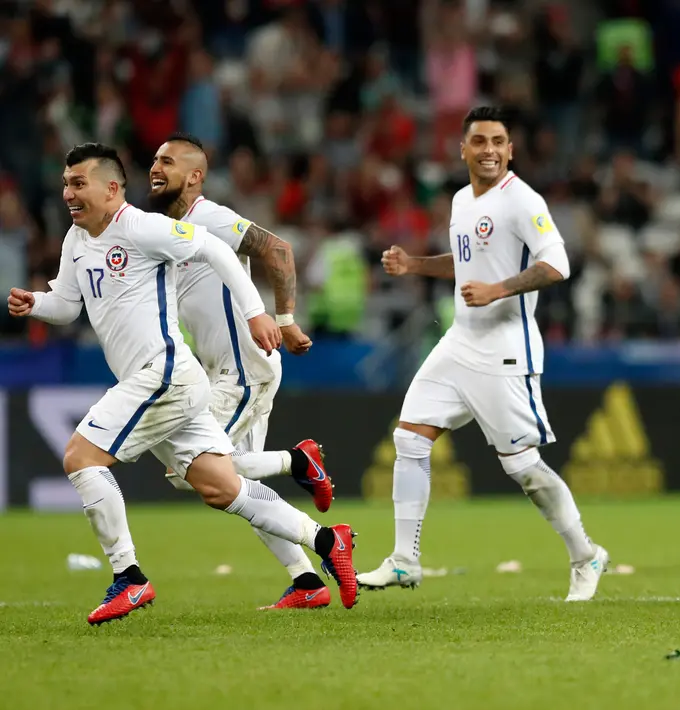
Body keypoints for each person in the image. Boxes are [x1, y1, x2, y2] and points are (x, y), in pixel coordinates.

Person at [7, 143, 357, 624]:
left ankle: (129, 577)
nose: (69, 193)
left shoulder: (141, 227)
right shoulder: (76, 239)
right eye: (66, 183)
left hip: (163, 373)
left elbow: (216, 247)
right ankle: (325, 541)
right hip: (181, 378)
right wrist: (36, 303)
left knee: (80, 456)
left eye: (78, 183)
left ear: (111, 188)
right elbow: (67, 304)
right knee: (222, 487)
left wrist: (260, 314)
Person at [357, 107, 608, 600]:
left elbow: (556, 263)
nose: (489, 150)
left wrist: (499, 290)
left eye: (498, 141)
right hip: (459, 342)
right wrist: (414, 265)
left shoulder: (522, 200)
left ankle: (586, 554)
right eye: (480, 141)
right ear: (463, 149)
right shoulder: (460, 200)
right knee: (409, 438)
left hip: (505, 351)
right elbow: (466, 260)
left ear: (510, 150)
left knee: (523, 469)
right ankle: (405, 560)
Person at [148, 133, 338, 609]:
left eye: (167, 161)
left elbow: (276, 249)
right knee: (240, 490)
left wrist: (286, 319)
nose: (155, 167)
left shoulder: (206, 217)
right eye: (153, 159)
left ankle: (298, 461)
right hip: (224, 370)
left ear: (195, 176)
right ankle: (306, 583)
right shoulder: (162, 230)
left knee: (185, 467)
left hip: (243, 370)